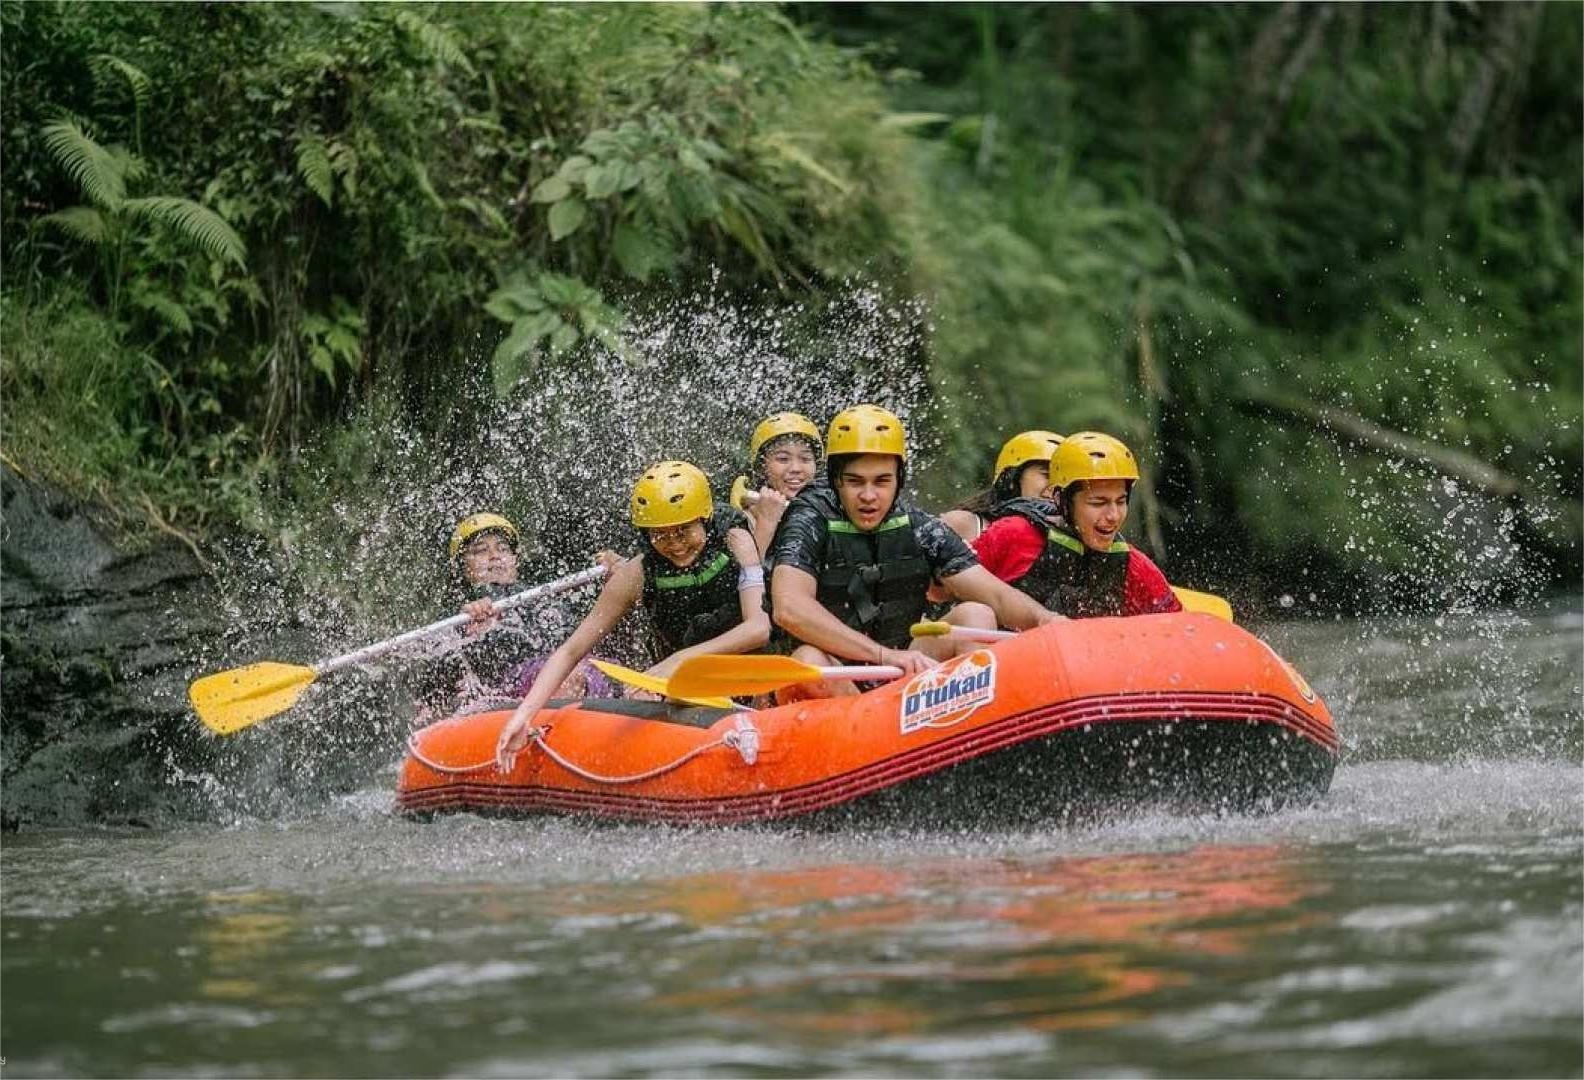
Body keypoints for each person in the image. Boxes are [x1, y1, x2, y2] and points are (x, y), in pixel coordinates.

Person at [766, 405, 1060, 696]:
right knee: (808, 659)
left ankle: (968, 715)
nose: (868, 495)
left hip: (896, 678)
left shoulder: (916, 525)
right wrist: (883, 655)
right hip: (836, 676)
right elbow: (790, 608)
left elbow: (994, 594)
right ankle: (870, 720)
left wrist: (1044, 619)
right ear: (835, 480)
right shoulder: (808, 518)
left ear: (899, 479)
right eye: (855, 482)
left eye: (882, 481)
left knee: (975, 614)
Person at [497, 462, 769, 767]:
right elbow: (571, 650)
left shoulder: (736, 542)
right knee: (642, 695)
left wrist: (679, 660)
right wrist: (523, 715)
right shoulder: (636, 574)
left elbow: (759, 628)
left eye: (684, 530)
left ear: (704, 518)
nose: (675, 544)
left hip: (752, 670)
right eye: (660, 535)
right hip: (688, 685)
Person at [414, 512, 612, 723]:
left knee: (623, 680)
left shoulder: (541, 594)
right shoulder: (459, 610)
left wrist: (612, 578)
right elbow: (437, 678)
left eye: (503, 549)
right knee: (568, 676)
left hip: (566, 670)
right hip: (510, 688)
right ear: (463, 568)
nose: (494, 556)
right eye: (481, 551)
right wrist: (468, 628)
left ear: (515, 560)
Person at [971, 431, 1182, 618]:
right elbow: (955, 586)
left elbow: (1176, 624)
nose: (1113, 516)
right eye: (1098, 503)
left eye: (1120, 501)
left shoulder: (1131, 565)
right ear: (1061, 501)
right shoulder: (1012, 534)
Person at [940, 430, 1065, 543]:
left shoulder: (1065, 538)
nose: (1057, 488)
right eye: (1047, 475)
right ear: (1012, 478)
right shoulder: (963, 524)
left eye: (1064, 481)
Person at [729, 412, 823, 556]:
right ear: (762, 466)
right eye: (783, 459)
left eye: (805, 459)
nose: (796, 468)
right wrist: (766, 521)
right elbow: (748, 570)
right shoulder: (742, 521)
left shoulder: (830, 510)